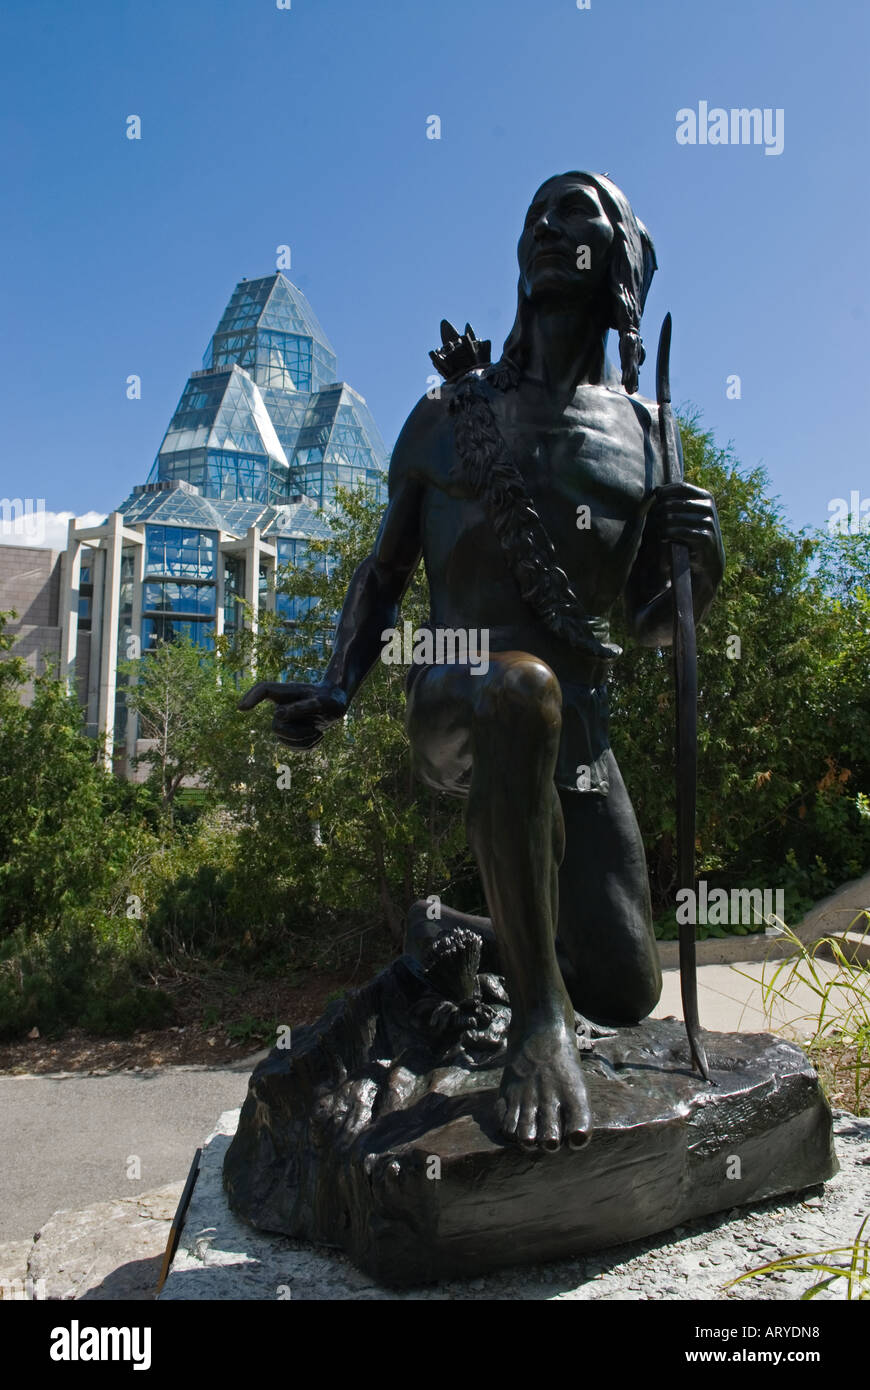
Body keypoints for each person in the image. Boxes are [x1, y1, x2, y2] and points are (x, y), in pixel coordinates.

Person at [241, 172, 725, 1152]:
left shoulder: (648, 436)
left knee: (627, 984)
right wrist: (338, 685)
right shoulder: (447, 417)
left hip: (575, 721)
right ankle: (539, 1025)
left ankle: (462, 923)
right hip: (458, 676)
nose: (551, 226)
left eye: (579, 211)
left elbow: (651, 630)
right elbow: (383, 575)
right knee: (518, 686)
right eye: (538, 214)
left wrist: (697, 570)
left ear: (624, 259)